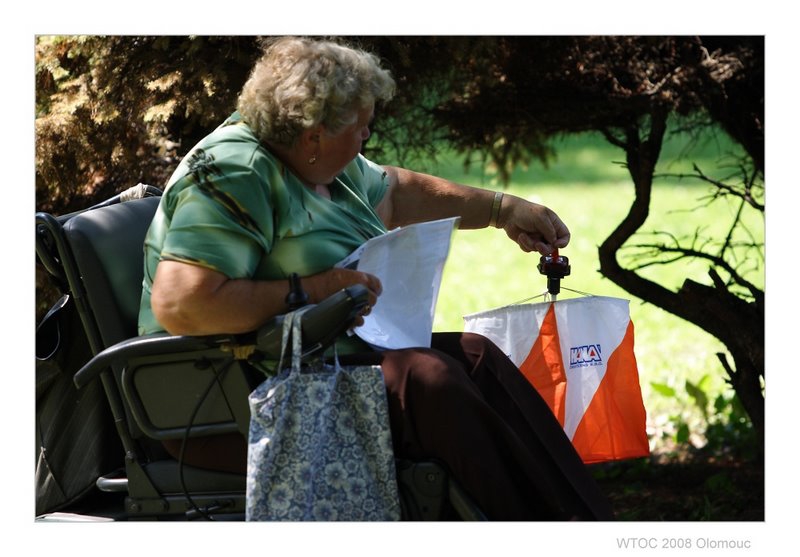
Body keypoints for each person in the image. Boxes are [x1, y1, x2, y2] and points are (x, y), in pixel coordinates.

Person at [138, 36, 613, 521]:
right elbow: (183, 303)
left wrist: (502, 210)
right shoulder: (236, 172)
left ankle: (583, 521)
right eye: (361, 128)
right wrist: (315, 289)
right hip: (230, 401)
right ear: (314, 132)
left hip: (311, 366)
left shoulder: (320, 164)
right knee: (430, 383)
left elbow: (397, 193)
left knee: (476, 356)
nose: (367, 136)